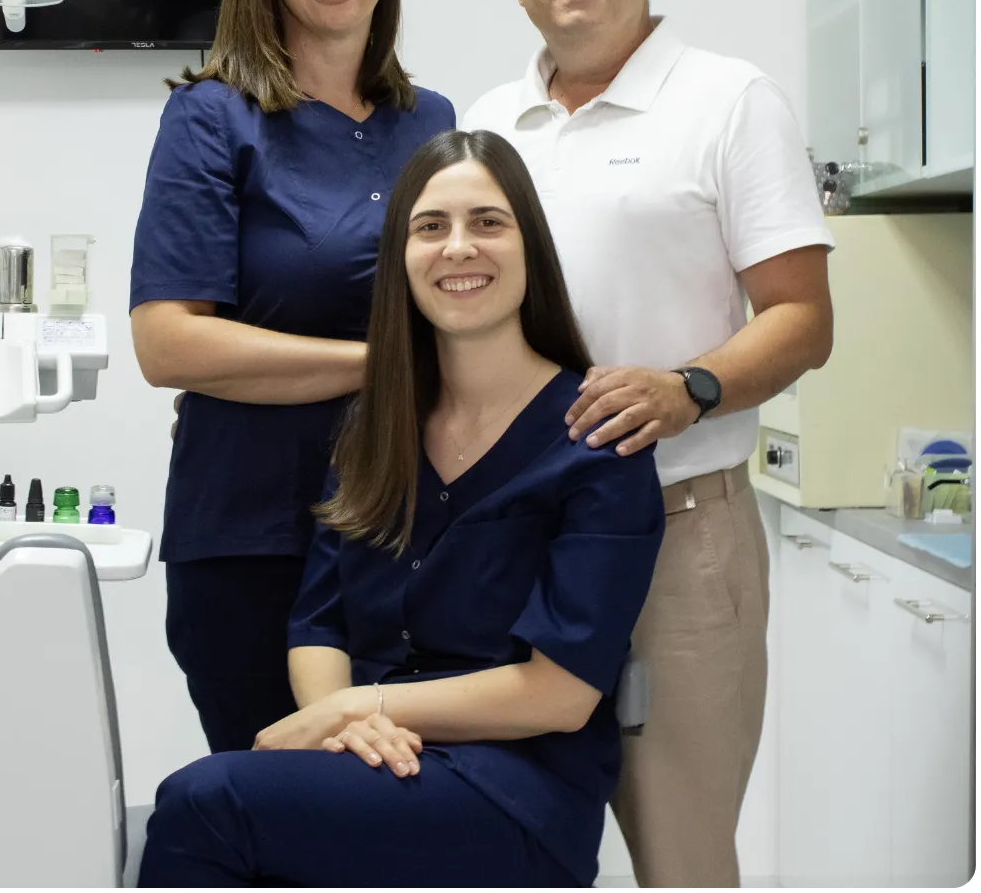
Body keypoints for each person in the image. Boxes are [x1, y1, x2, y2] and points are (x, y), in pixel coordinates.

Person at [137, 129, 665, 891]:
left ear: (531, 246)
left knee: (203, 807)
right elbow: (319, 624)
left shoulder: (594, 441)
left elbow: (559, 692)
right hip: (380, 761)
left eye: (488, 222)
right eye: (430, 226)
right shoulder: (375, 430)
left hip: (517, 793)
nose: (458, 247)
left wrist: (362, 706)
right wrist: (351, 723)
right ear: (402, 258)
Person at [463, 0, 835, 892]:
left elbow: (803, 319)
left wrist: (689, 388)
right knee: (504, 845)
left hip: (678, 533)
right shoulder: (489, 126)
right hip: (517, 539)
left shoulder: (729, 101)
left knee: (680, 858)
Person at [129, 0, 456, 754]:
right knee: (279, 797)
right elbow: (168, 345)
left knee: (403, 800)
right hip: (254, 532)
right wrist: (383, 366)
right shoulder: (212, 116)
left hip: (408, 521)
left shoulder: (431, 123)